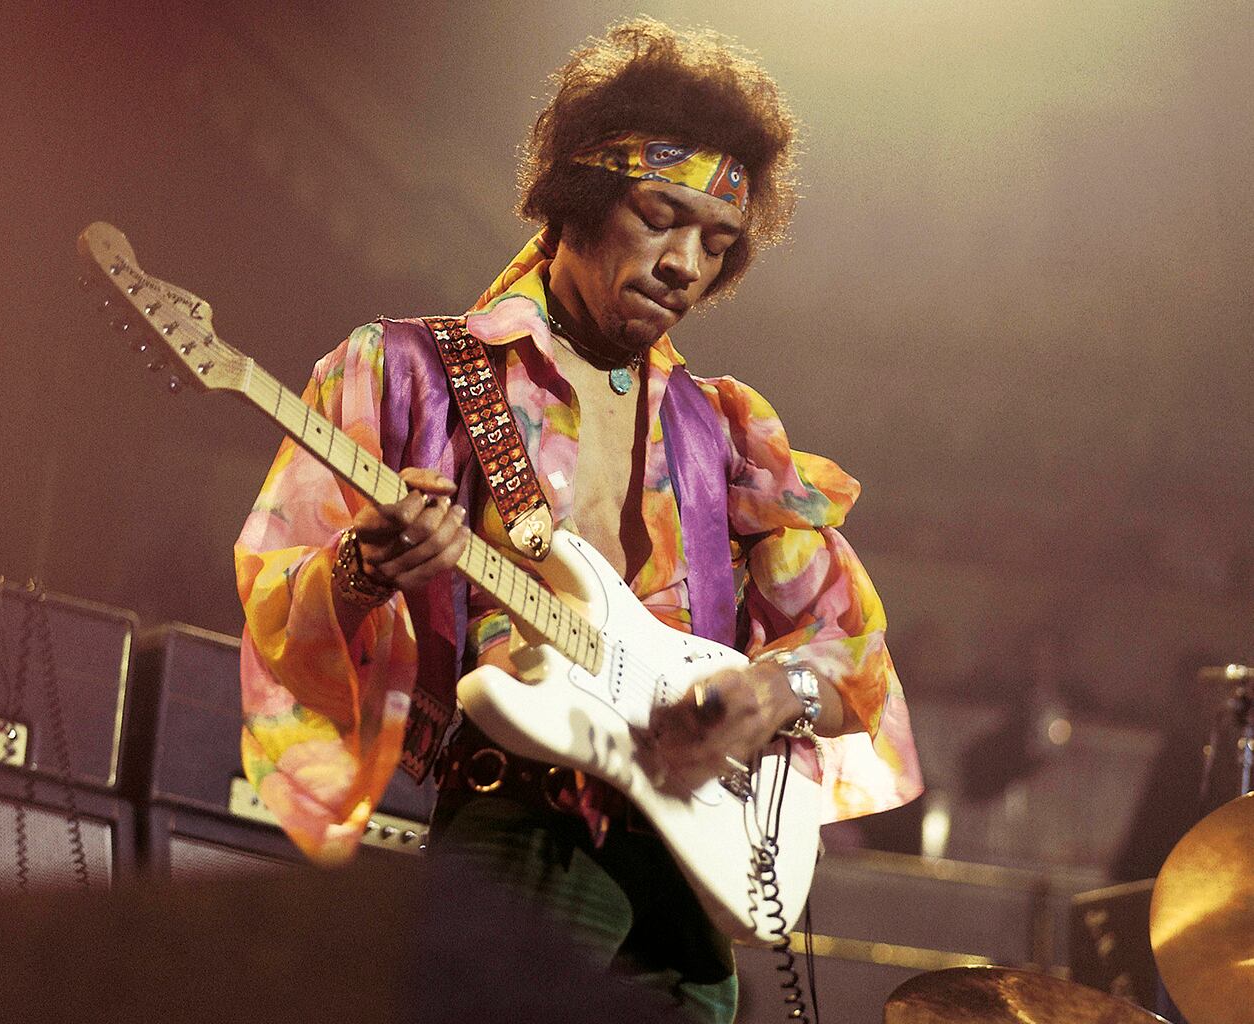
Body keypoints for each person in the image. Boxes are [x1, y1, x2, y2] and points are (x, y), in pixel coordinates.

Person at [235, 18, 920, 1022]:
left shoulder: (728, 430)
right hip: (521, 831)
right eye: (660, 215)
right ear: (581, 196)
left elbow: (852, 643)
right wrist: (364, 567)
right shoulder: (410, 371)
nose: (688, 263)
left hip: (694, 870)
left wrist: (772, 693)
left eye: (717, 243)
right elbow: (274, 601)